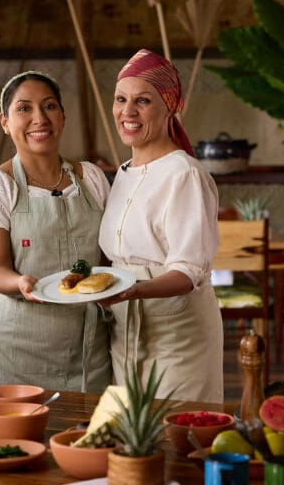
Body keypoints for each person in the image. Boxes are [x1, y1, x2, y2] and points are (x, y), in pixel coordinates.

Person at [0, 71, 112, 393]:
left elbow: (107, 261)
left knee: (82, 439)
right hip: (14, 350)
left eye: (49, 106)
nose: (39, 119)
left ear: (63, 116)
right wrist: (20, 282)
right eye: (24, 109)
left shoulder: (92, 179)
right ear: (4, 121)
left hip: (88, 348)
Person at [98, 49, 223, 402]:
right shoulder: (123, 173)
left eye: (143, 100)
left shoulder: (184, 174)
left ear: (170, 106)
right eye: (121, 99)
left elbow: (188, 271)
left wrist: (132, 290)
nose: (128, 112)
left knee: (175, 437)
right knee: (137, 441)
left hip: (178, 335)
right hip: (126, 330)